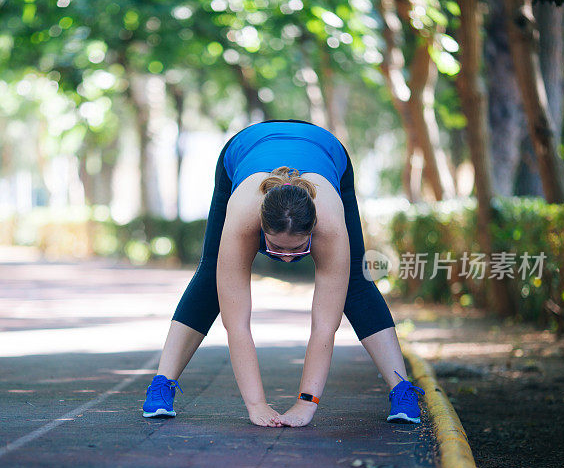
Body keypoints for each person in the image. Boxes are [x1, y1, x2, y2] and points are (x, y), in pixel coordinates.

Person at [141, 120, 424, 427]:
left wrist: (306, 404)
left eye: (298, 249)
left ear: (313, 230)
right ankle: (161, 385)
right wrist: (256, 404)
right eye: (276, 247)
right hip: (245, 146)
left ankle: (402, 389)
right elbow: (236, 326)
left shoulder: (329, 223)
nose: (287, 258)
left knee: (356, 280)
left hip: (325, 148)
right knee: (212, 274)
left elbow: (324, 328)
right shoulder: (243, 217)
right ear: (261, 229)